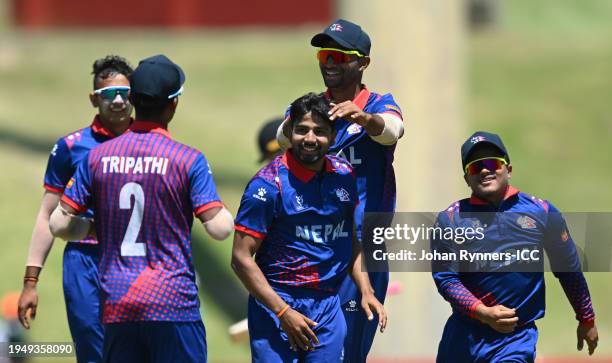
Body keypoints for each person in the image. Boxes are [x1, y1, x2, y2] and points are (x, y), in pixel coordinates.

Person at [49, 54, 234, 363]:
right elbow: (219, 229)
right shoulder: (187, 160)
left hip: (118, 302)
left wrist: (93, 227)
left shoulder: (97, 157)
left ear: (132, 99)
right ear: (173, 104)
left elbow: (59, 224)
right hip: (172, 302)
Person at [277, 19, 404, 362]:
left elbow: (392, 129)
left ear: (362, 62)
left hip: (363, 249)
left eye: (338, 55)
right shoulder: (313, 110)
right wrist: (307, 121)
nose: (329, 63)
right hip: (312, 247)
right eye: (324, 56)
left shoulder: (378, 104)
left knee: (347, 354)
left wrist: (362, 118)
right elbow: (280, 136)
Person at [232, 93, 386, 362]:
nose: (310, 139)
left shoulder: (344, 174)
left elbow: (349, 237)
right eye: (302, 130)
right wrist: (282, 312)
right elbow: (241, 258)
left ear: (334, 137)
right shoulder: (267, 187)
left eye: (320, 131)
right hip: (277, 306)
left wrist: (366, 289)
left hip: (327, 307)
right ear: (289, 131)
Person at [431, 131, 599, 362]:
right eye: (475, 167)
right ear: (466, 178)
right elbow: (446, 279)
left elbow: (568, 269)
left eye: (492, 163)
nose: (484, 170)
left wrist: (586, 317)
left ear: (508, 169)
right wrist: (483, 312)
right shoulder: (450, 220)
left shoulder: (542, 212)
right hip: (463, 339)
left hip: (515, 340)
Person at [17, 55, 133, 362]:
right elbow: (47, 215)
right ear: (94, 99)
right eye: (109, 94)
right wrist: (31, 282)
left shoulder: (153, 143)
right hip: (85, 261)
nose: (118, 101)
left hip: (136, 261)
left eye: (125, 93)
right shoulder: (71, 147)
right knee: (93, 353)